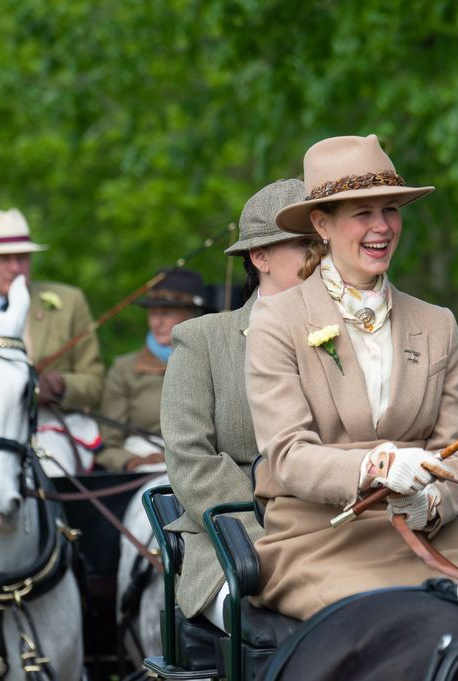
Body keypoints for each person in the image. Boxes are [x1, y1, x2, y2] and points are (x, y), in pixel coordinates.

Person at [245, 135, 458, 620]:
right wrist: (371, 466)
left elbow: (455, 452)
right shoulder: (277, 320)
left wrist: (433, 503)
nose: (382, 227)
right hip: (321, 542)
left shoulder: (438, 324)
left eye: (390, 209)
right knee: (383, 628)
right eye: (362, 213)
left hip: (426, 541)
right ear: (321, 224)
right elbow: (287, 454)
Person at [161, 179, 317, 630]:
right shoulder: (203, 340)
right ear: (259, 256)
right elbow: (191, 461)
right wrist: (278, 527)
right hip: (235, 538)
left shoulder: (349, 338)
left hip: (341, 533)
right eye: (302, 244)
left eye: (321, 243)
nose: (317, 257)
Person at [0, 208, 104, 408]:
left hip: (53, 424)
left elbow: (96, 383)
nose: (15, 267)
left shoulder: (69, 302)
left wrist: (62, 385)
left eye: (22, 257)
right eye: (4, 258)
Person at [96, 268, 207, 472]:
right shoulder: (125, 369)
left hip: (202, 459)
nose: (157, 322)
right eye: (153, 313)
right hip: (145, 462)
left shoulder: (211, 363)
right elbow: (107, 445)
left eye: (166, 313)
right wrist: (134, 461)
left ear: (191, 316)